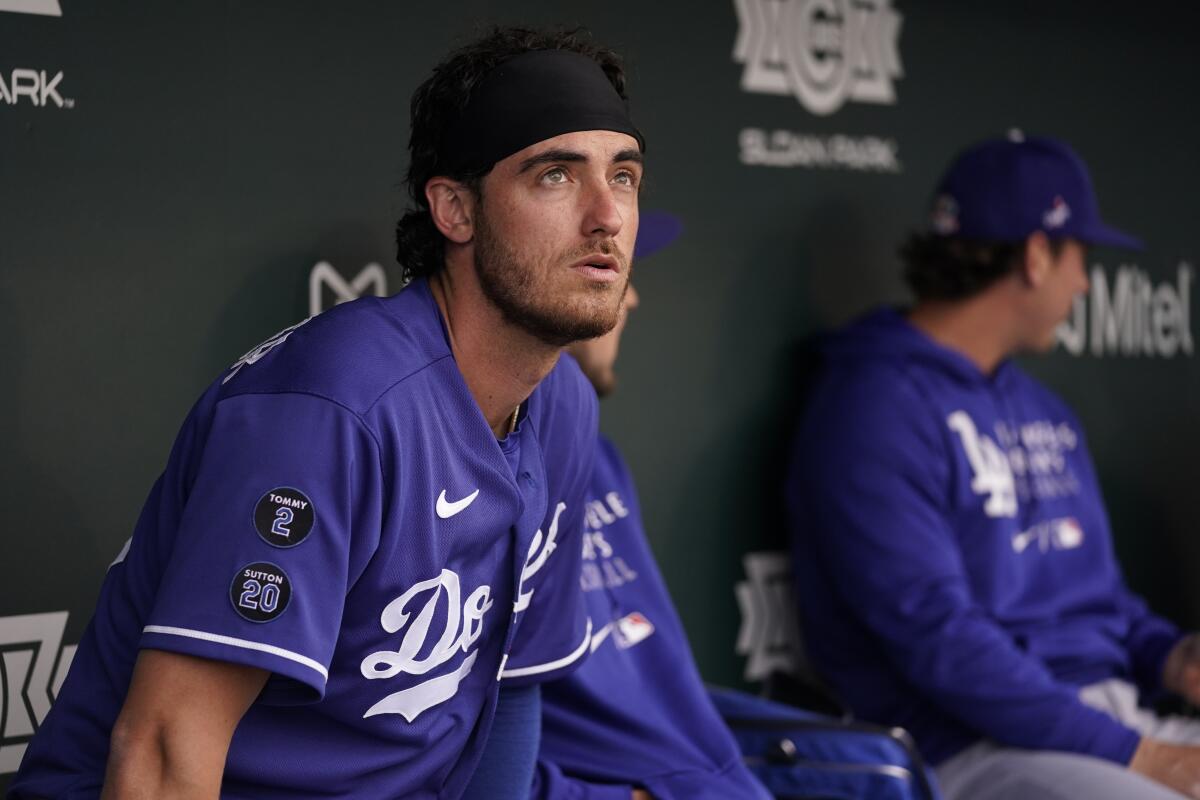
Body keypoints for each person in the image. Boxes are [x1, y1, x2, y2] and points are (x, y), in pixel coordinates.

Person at [10, 26, 644, 799]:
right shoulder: (333, 410)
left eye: (625, 175)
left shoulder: (564, 405)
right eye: (554, 175)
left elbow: (506, 695)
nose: (607, 215)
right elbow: (167, 749)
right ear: (455, 209)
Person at [787, 133, 1200, 800]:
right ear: (1038, 256)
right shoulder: (872, 407)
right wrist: (1140, 754)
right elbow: (940, 642)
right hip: (969, 747)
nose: (1086, 283)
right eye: (1081, 258)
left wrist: (1171, 658)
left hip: (1106, 725)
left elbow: (1101, 603)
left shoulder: (1042, 408)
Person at [532, 212, 772, 800]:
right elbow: (446, 730)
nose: (631, 300)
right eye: (609, 271)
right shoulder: (467, 471)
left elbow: (655, 698)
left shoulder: (598, 456)